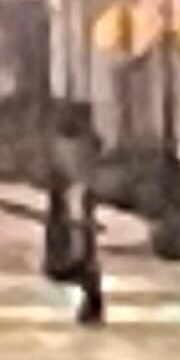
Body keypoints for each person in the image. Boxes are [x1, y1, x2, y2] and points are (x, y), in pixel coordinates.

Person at [42, 103, 108, 328]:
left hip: (74, 212)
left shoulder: (71, 179)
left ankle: (91, 307)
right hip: (73, 213)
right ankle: (91, 307)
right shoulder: (68, 181)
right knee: (82, 264)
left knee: (82, 264)